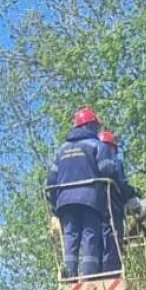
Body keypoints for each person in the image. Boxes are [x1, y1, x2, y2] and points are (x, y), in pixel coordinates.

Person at [46, 107, 111, 277]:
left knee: (70, 237)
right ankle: (90, 276)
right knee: (90, 235)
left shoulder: (60, 151)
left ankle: (70, 277)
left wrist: (55, 207)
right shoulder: (97, 146)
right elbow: (107, 171)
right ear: (90, 126)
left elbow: (51, 180)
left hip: (65, 202)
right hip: (90, 199)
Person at [97, 130, 139, 273]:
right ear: (112, 147)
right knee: (113, 240)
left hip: (92, 210)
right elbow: (121, 181)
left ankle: (95, 274)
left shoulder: (90, 162)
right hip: (112, 208)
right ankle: (111, 273)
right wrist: (131, 196)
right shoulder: (114, 161)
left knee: (95, 241)